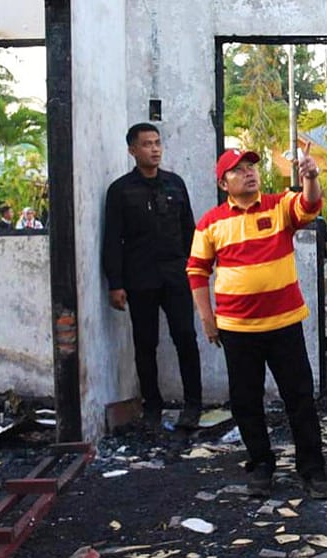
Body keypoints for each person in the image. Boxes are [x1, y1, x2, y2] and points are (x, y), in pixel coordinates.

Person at [187, 146, 327, 500]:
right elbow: (197, 271)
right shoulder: (210, 223)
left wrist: (311, 177)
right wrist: (207, 319)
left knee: (299, 397)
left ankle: (312, 470)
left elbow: (309, 206)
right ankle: (261, 466)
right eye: (238, 170)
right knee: (246, 401)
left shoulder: (278, 205)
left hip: (284, 324)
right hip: (237, 329)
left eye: (251, 166)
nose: (249, 172)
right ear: (223, 183)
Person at [103, 123, 203, 429]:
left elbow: (189, 231)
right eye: (147, 144)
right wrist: (115, 283)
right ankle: (152, 407)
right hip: (140, 277)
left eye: (157, 143)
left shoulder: (175, 184)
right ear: (132, 150)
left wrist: (196, 271)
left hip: (176, 275)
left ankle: (193, 405)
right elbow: (112, 239)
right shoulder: (120, 190)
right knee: (145, 344)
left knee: (185, 337)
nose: (155, 149)